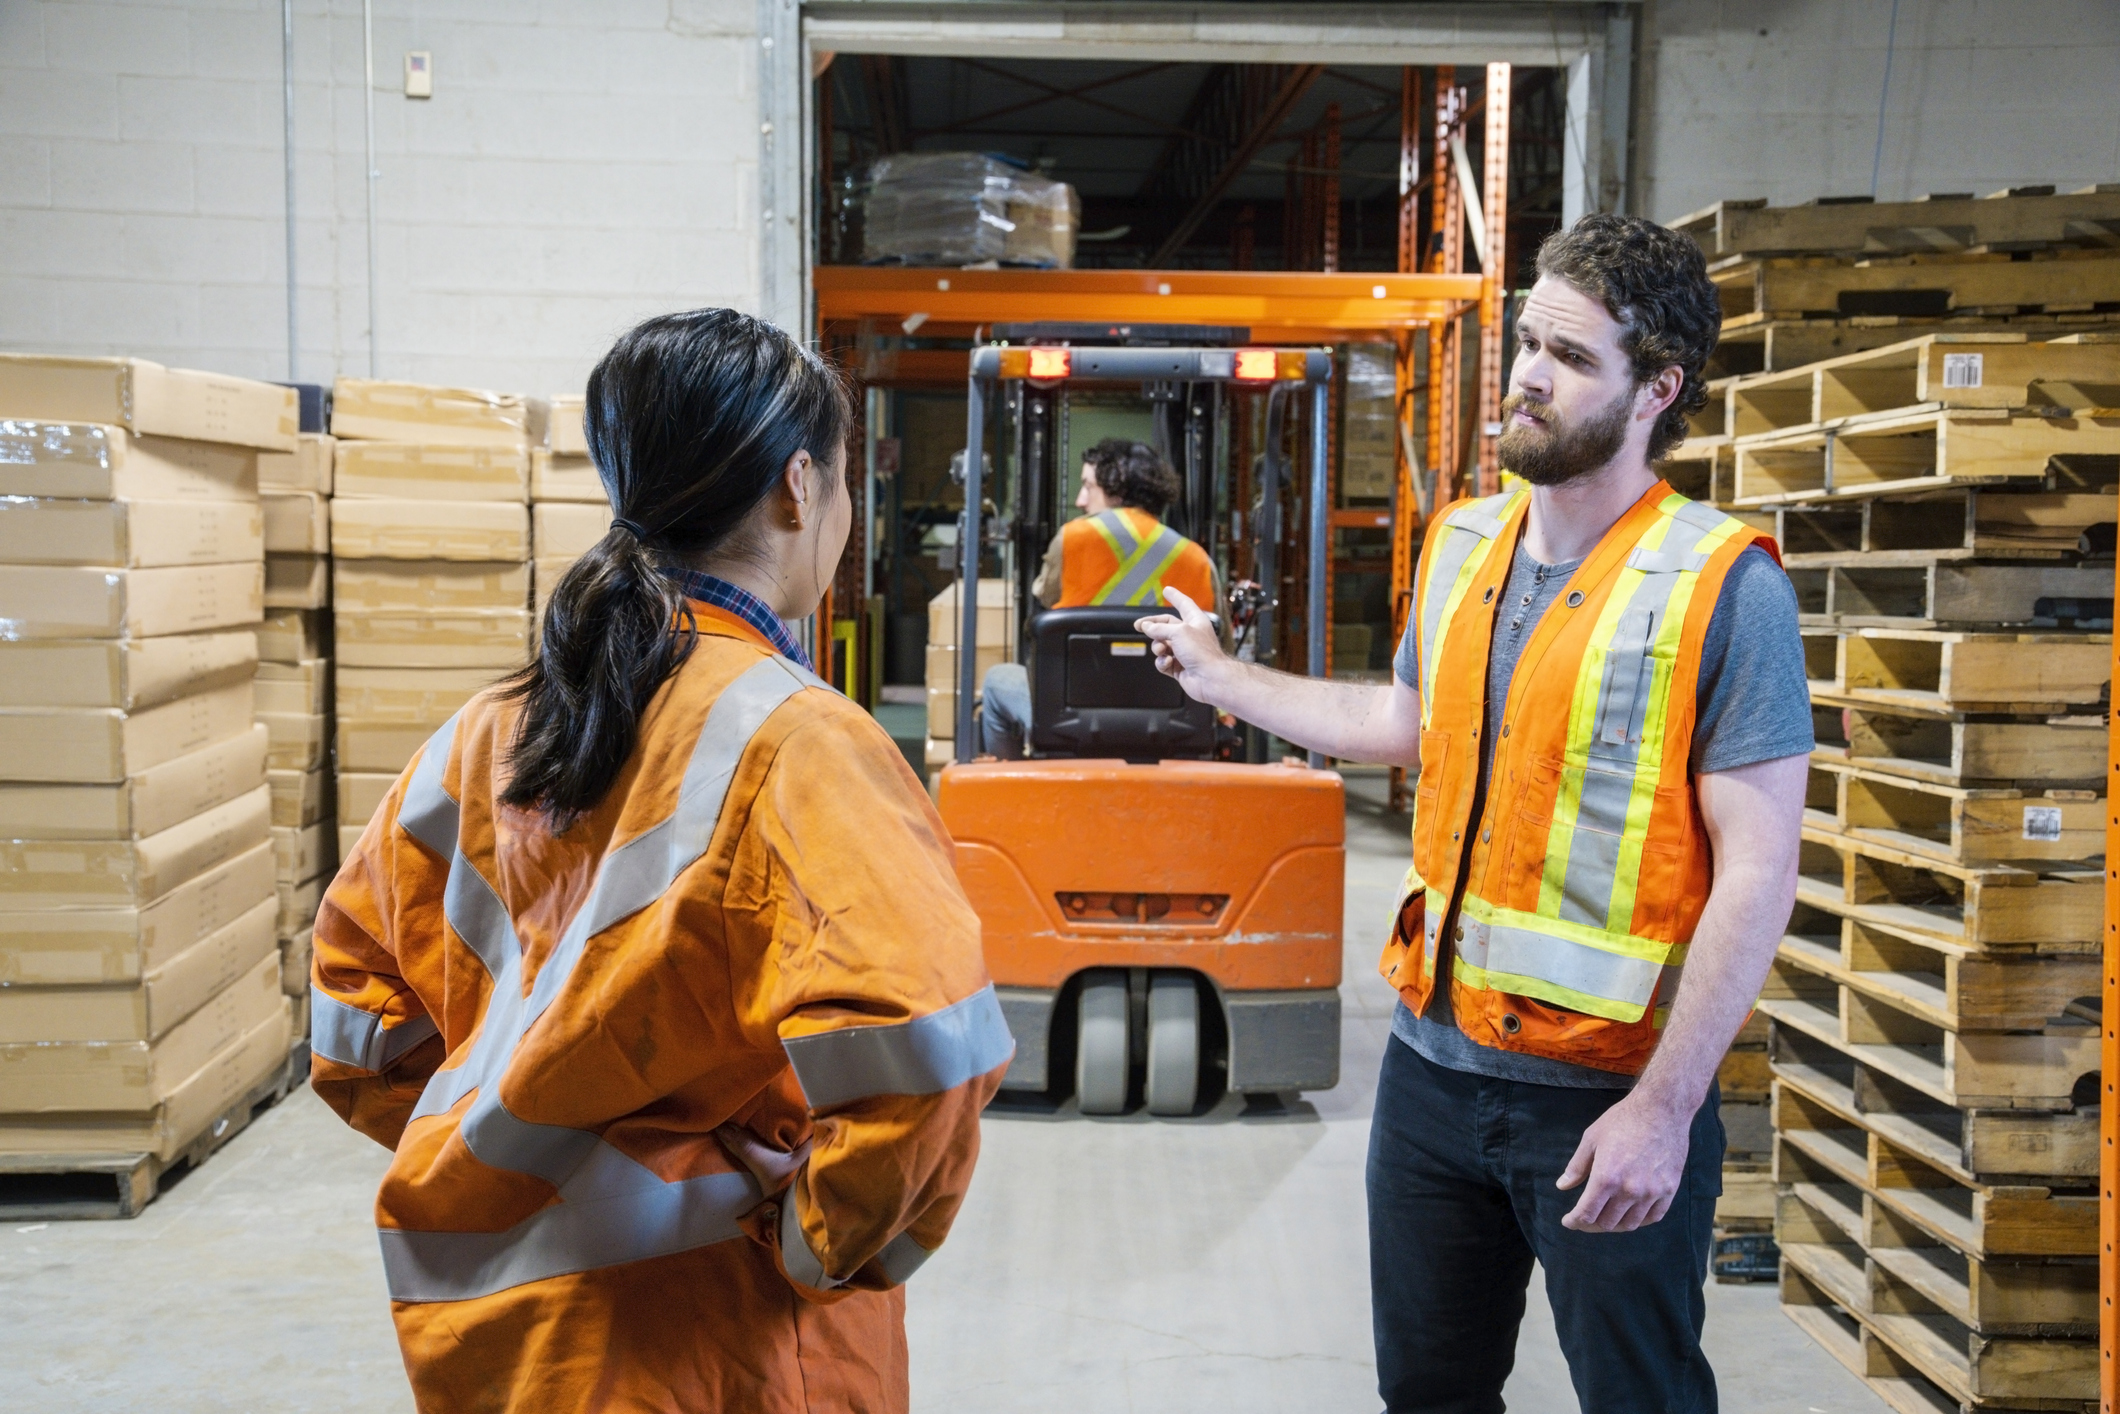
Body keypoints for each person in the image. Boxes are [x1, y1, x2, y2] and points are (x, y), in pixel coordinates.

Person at [1136, 214, 1811, 1414]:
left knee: (1639, 1396)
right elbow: (1404, 723)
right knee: (1429, 1392)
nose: (1526, 377)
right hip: (1430, 1076)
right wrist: (1220, 678)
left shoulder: (1724, 586)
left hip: (1602, 1091)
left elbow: (1757, 875)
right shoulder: (1460, 541)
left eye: (1570, 357)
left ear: (1656, 389)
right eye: (1524, 341)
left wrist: (1662, 1109)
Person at [309, 309, 1015, 1413]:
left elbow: (352, 1023)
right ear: (796, 489)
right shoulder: (799, 742)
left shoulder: (487, 730)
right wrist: (816, 1244)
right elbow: (923, 1052)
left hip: (500, 1344)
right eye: (841, 483)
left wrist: (507, 1150)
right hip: (714, 1340)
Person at [978, 437, 1215, 757]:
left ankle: (1011, 793)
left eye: (1088, 487)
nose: (1080, 499)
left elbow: (1045, 599)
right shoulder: (1196, 558)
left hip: (1070, 719)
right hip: (1177, 723)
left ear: (1116, 488)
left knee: (995, 682)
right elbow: (1219, 641)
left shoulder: (1073, 538)